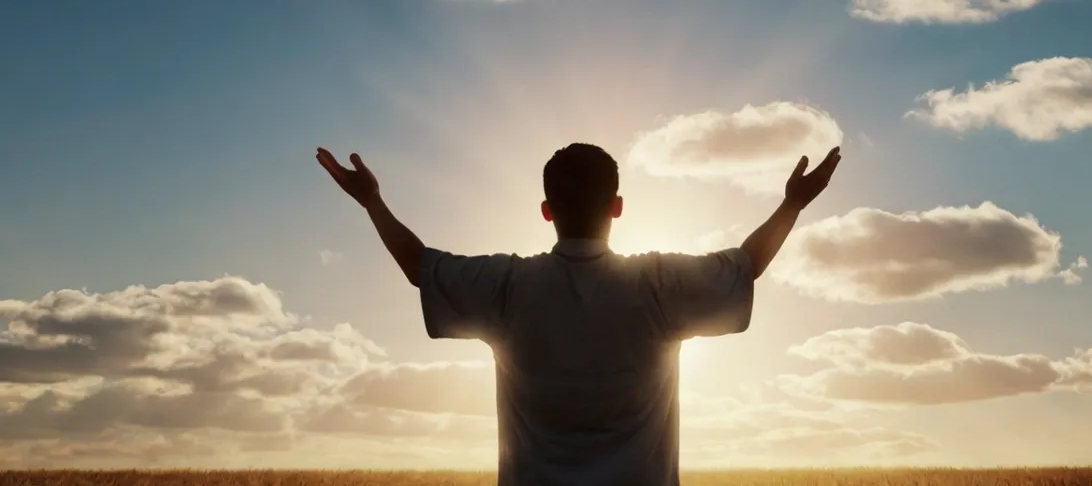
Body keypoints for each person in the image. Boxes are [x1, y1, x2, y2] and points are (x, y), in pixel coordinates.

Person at [316, 142, 841, 486]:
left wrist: (372, 203)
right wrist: (792, 204)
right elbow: (745, 267)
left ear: (547, 211)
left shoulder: (509, 287)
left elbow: (421, 268)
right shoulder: (658, 286)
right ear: (616, 206)